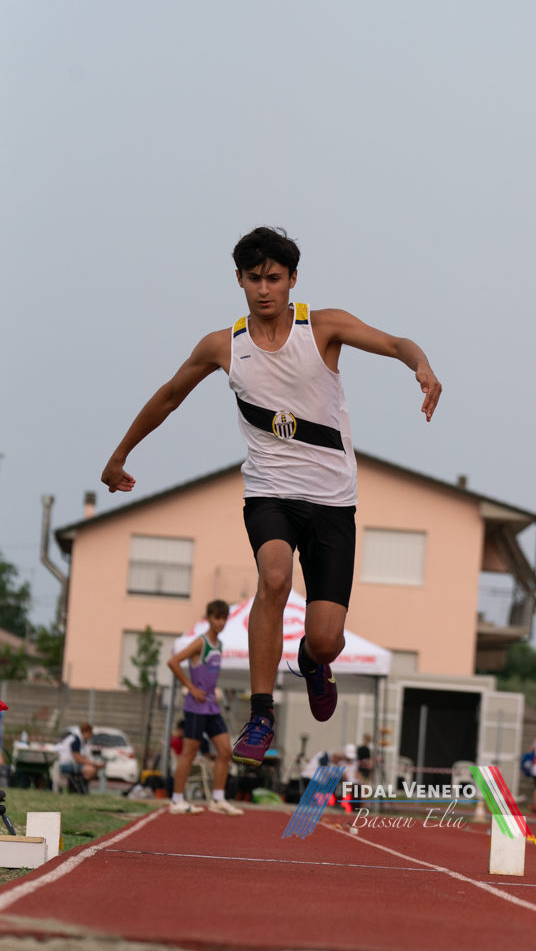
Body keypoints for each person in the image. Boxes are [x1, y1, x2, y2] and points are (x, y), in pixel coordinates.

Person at [102, 227, 441, 767]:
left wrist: (419, 366)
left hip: (332, 502)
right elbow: (169, 396)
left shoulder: (322, 327)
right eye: (254, 279)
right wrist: (120, 455)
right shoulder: (222, 346)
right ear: (239, 279)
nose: (264, 289)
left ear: (293, 279)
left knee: (327, 640)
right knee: (275, 576)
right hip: (269, 494)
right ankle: (261, 715)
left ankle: (312, 661)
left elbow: (397, 343)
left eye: (274, 278)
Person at [166, 599, 243, 816]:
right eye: (217, 618)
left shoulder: (220, 645)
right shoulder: (200, 643)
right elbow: (173, 662)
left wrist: (213, 692)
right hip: (195, 708)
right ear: (208, 618)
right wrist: (191, 687)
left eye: (224, 618)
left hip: (211, 708)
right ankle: (176, 801)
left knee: (226, 751)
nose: (221, 622)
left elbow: (209, 674)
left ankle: (218, 799)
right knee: (189, 753)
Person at [55, 723, 105, 790]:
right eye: (90, 734)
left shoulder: (80, 740)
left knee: (93, 768)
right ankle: (80, 786)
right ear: (86, 732)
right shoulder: (76, 740)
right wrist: (94, 764)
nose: (91, 736)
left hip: (70, 763)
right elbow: (78, 758)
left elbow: (83, 757)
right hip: (64, 763)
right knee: (91, 770)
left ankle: (80, 786)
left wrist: (94, 763)